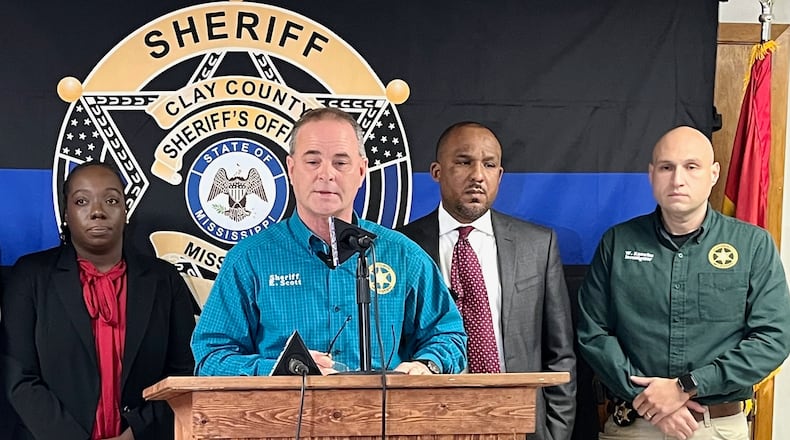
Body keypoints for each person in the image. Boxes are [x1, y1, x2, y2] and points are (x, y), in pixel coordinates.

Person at [191, 107, 467, 376]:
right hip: (286, 408)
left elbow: (448, 336)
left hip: (384, 408)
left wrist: (427, 365)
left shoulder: (402, 255)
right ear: (291, 169)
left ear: (361, 171)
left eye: (340, 162)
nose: (326, 174)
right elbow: (211, 357)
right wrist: (279, 369)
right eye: (313, 162)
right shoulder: (249, 260)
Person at [576, 126, 790, 440]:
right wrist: (650, 400)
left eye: (691, 167)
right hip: (634, 425)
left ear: (713, 174)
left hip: (716, 428)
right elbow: (592, 332)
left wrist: (686, 386)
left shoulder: (753, 245)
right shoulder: (617, 242)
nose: (678, 179)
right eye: (667, 167)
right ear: (651, 174)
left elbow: (773, 338)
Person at [398, 121, 577, 440]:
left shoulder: (538, 245)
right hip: (432, 422)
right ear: (437, 172)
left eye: (489, 164)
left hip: (520, 423)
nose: (478, 175)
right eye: (464, 162)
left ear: (500, 175)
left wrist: (555, 432)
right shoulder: (402, 247)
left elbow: (560, 353)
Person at [1, 162, 196, 440]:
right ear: (66, 213)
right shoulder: (30, 276)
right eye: (82, 201)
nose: (97, 211)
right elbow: (18, 377)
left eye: (111, 200)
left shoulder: (163, 280)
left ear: (126, 211)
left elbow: (183, 375)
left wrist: (136, 433)